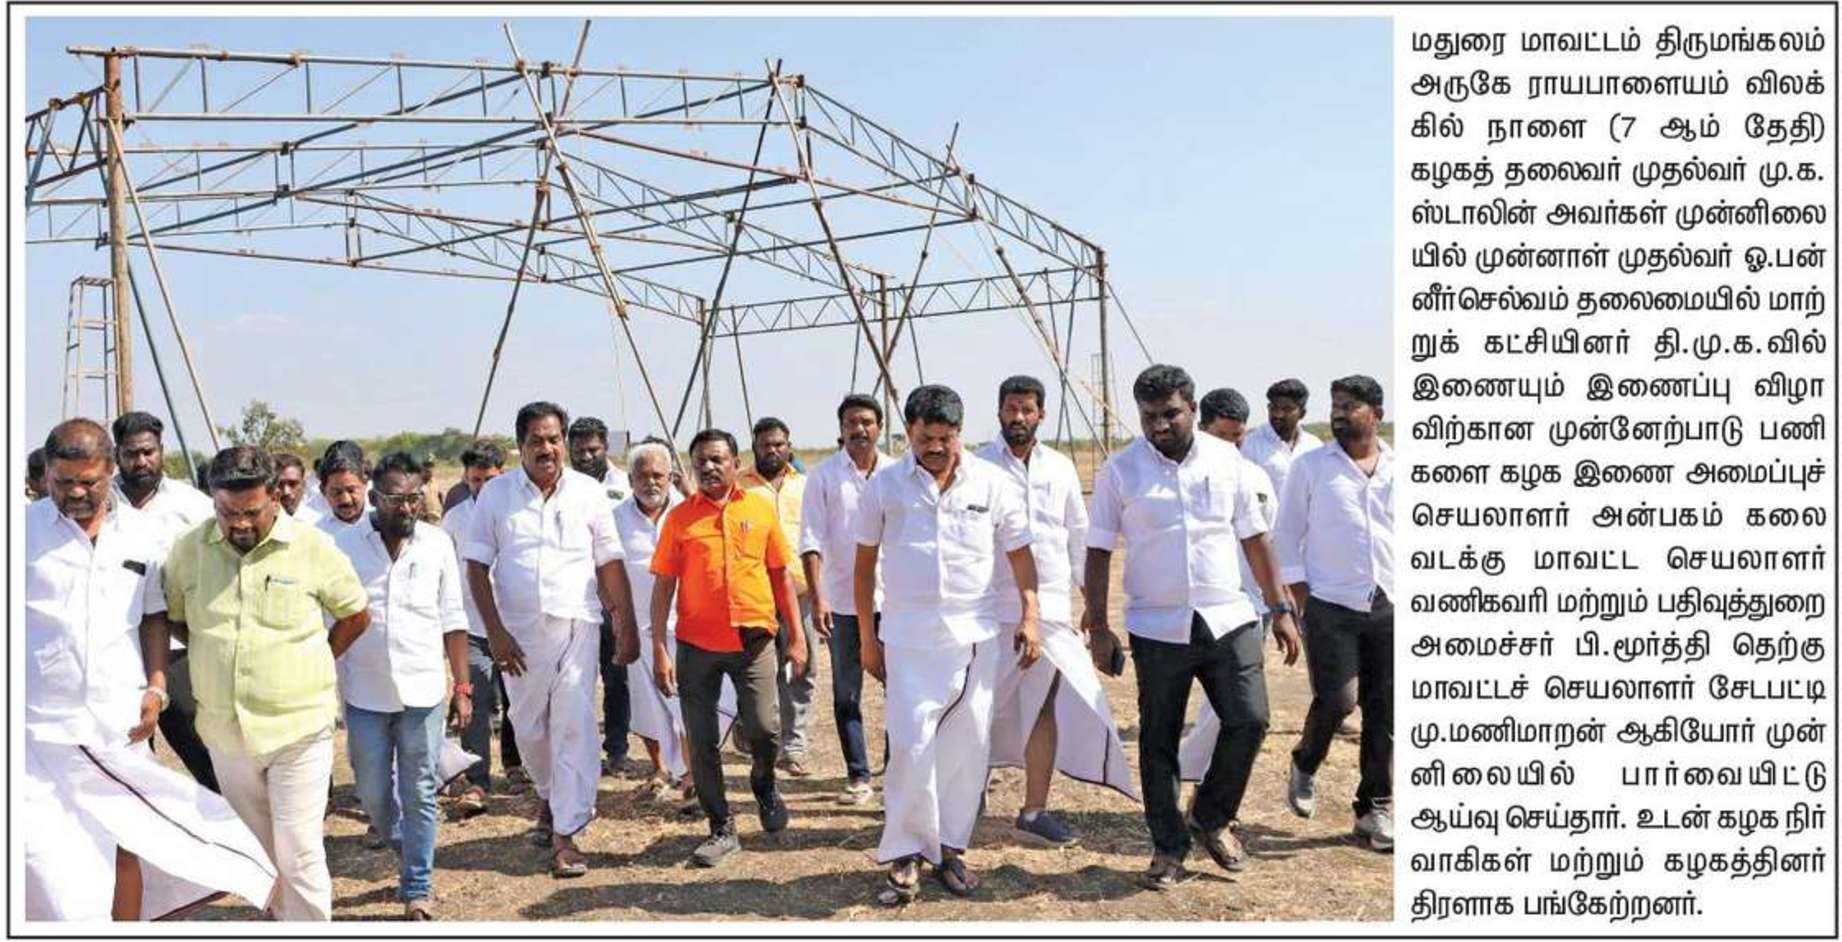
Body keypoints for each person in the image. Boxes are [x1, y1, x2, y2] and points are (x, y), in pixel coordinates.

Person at [24, 420, 276, 922]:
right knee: (43, 851)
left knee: (128, 834)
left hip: (117, 719)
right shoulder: (20, 532)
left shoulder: (141, 536)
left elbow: (153, 617)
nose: (75, 493)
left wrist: (158, 686)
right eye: (62, 481)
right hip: (37, 728)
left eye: (88, 482)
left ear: (109, 472)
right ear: (46, 474)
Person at [1083, 364, 1302, 892]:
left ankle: (1211, 816)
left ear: (1193, 409)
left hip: (1228, 616)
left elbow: (1256, 538)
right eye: (1149, 416)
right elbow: (1097, 549)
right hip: (1157, 626)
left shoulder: (1230, 462)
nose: (1159, 425)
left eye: (1170, 414)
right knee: (1158, 739)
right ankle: (1168, 847)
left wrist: (1280, 608)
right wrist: (1099, 625)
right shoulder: (1121, 471)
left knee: (1250, 719)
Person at [163, 446, 372, 920]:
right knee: (262, 855)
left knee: (299, 853)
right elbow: (177, 619)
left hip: (298, 728)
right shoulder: (188, 551)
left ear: (275, 497)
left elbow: (356, 614)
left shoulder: (313, 547)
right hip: (225, 733)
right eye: (227, 512)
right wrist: (216, 653)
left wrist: (315, 658)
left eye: (251, 512)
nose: (239, 523)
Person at [856, 384, 1040, 905]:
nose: (936, 448)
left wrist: (1031, 615)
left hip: (975, 636)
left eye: (946, 437)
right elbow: (864, 566)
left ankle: (951, 851)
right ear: (908, 432)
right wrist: (867, 639)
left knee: (966, 748)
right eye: (925, 438)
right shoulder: (884, 485)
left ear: (960, 432)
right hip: (908, 639)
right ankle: (907, 850)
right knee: (911, 744)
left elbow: (1021, 556)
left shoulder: (991, 481)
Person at [462, 401, 639, 879]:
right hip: (518, 637)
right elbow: (476, 565)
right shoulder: (496, 495)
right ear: (520, 445)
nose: (547, 449)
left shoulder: (588, 493)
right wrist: (495, 633)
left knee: (573, 725)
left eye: (554, 439)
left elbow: (610, 561)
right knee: (529, 728)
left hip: (577, 626)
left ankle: (566, 832)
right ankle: (549, 796)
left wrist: (625, 625)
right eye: (537, 441)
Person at [977, 376, 1138, 846]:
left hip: (1050, 610)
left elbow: (1078, 539)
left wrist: (1092, 604)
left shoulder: (1061, 468)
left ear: (1041, 415)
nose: (1018, 417)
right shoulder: (979, 466)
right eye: (1011, 408)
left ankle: (1033, 811)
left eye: (1027, 409)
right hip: (990, 609)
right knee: (977, 706)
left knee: (1042, 705)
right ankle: (965, 797)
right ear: (999, 411)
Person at [648, 428, 808, 868]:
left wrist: (796, 637)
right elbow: (663, 587)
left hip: (754, 642)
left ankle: (764, 784)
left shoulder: (759, 509)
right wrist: (659, 647)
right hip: (696, 646)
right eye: (700, 460)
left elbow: (781, 576)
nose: (708, 467)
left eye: (717, 459)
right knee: (701, 742)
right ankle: (720, 825)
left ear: (736, 464)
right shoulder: (679, 519)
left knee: (765, 729)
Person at [331, 451, 471, 918]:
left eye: (415, 497)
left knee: (420, 789)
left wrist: (462, 686)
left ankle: (417, 886)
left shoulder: (437, 544)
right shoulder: (343, 546)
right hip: (365, 693)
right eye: (396, 499)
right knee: (372, 793)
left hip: (422, 691)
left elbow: (453, 617)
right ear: (374, 498)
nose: (408, 508)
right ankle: (404, 843)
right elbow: (330, 620)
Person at [1272, 376, 1394, 852]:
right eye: (1336, 405)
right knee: (1339, 700)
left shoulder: (1398, 468)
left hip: (1389, 605)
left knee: (1385, 710)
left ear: (1376, 414)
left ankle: (1373, 808)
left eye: (1350, 405)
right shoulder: (1311, 468)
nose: (1339, 413)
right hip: (1329, 604)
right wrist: (1300, 598)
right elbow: (1285, 536)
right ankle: (1306, 761)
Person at [616, 441, 734, 809]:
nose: (650, 482)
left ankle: (693, 777)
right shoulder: (614, 519)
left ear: (671, 477)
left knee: (690, 707)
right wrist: (618, 619)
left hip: (691, 628)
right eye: (642, 476)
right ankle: (675, 772)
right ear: (630, 479)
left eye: (658, 475)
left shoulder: (690, 512)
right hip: (640, 630)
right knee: (654, 708)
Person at [111, 411, 219, 793]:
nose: (141, 461)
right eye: (131, 454)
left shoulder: (194, 506)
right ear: (117, 455)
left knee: (203, 747)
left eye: (148, 452)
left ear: (161, 450)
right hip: (119, 647)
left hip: (178, 647)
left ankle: (233, 820)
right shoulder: (101, 503)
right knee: (129, 758)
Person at [1179, 387, 1281, 780]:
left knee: (1236, 703)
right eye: (1222, 437)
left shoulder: (1255, 477)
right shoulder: (1182, 477)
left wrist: (1279, 601)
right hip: (1203, 604)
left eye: (1238, 437)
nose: (1232, 446)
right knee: (1222, 701)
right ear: (1201, 427)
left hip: (1251, 605)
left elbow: (1269, 540)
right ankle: (1192, 771)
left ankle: (1199, 775)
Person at [798, 393, 891, 805]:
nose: (859, 429)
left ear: (880, 427)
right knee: (846, 693)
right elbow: (811, 539)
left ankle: (898, 771)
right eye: (851, 423)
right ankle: (858, 775)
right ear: (841, 429)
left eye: (866, 422)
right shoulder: (823, 476)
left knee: (900, 690)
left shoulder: (898, 473)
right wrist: (818, 598)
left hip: (894, 601)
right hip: (842, 603)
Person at [739, 416, 820, 778]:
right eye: (765, 445)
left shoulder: (806, 486)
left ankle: (794, 746)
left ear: (790, 447)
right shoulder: (738, 486)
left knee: (802, 669)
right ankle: (754, 733)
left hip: (799, 594)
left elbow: (818, 538)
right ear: (754, 448)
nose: (772, 450)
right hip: (754, 595)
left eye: (778, 444)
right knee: (757, 670)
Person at [443, 441, 522, 814]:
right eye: (475, 480)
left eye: (489, 479)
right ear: (466, 479)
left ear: (501, 474)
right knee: (472, 702)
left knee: (517, 700)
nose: (482, 487)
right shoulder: (454, 519)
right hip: (471, 627)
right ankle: (477, 779)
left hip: (514, 624)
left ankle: (516, 765)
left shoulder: (518, 511)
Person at [568, 416, 635, 778]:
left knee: (617, 677)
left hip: (613, 596)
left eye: (592, 450)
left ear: (606, 448)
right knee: (575, 679)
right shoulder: (562, 487)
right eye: (578, 451)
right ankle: (578, 751)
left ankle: (618, 750)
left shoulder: (624, 485)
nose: (585, 457)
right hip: (576, 595)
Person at [1240, 378, 1322, 499]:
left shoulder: (1314, 446)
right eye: (1273, 408)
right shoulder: (1250, 445)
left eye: (1286, 409)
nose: (1278, 414)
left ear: (1302, 413)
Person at [314, 444, 370, 537]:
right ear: (323, 491)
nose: (345, 500)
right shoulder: (317, 534)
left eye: (351, 490)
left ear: (365, 484)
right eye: (337, 492)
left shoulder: (385, 525)